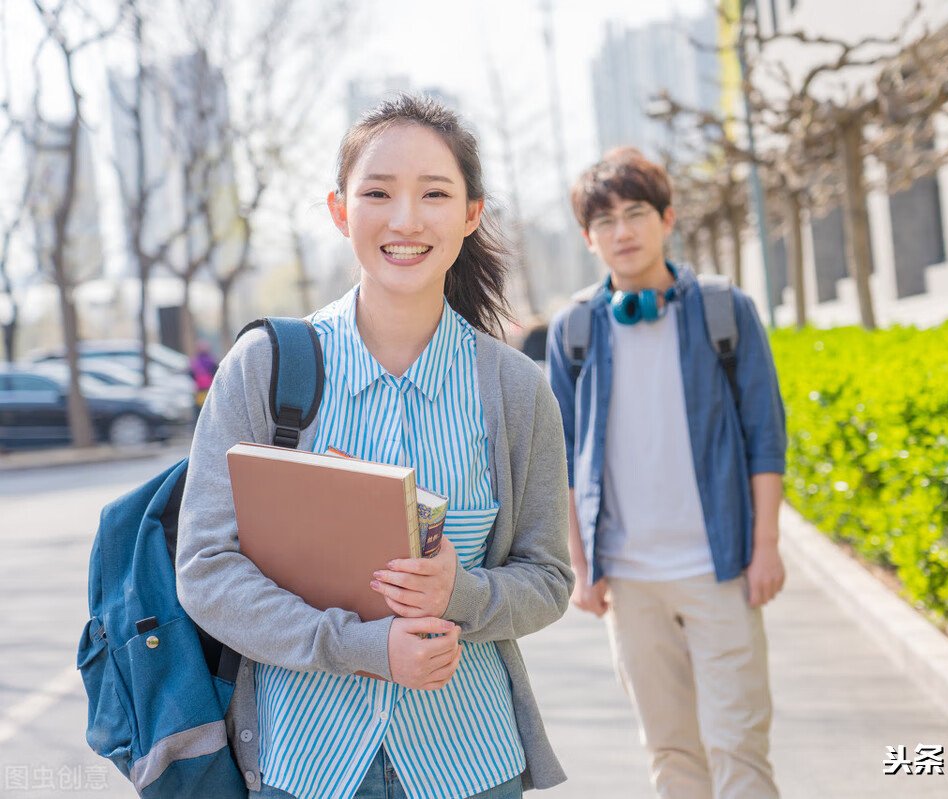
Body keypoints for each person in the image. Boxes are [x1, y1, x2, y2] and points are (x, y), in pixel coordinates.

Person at [176, 95, 572, 799]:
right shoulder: (264, 368)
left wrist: (463, 592)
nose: (406, 219)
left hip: (470, 762)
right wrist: (360, 648)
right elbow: (207, 567)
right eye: (378, 193)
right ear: (340, 211)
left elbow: (547, 578)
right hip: (306, 764)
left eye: (435, 194)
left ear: (471, 214)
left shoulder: (515, 389)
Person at [546, 147, 788, 799]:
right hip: (630, 579)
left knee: (739, 748)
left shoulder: (723, 311)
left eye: (635, 213)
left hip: (721, 569)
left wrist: (766, 547)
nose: (622, 231)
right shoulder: (574, 329)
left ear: (667, 218)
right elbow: (563, 456)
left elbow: (766, 434)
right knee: (672, 753)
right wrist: (581, 562)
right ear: (589, 239)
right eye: (604, 221)